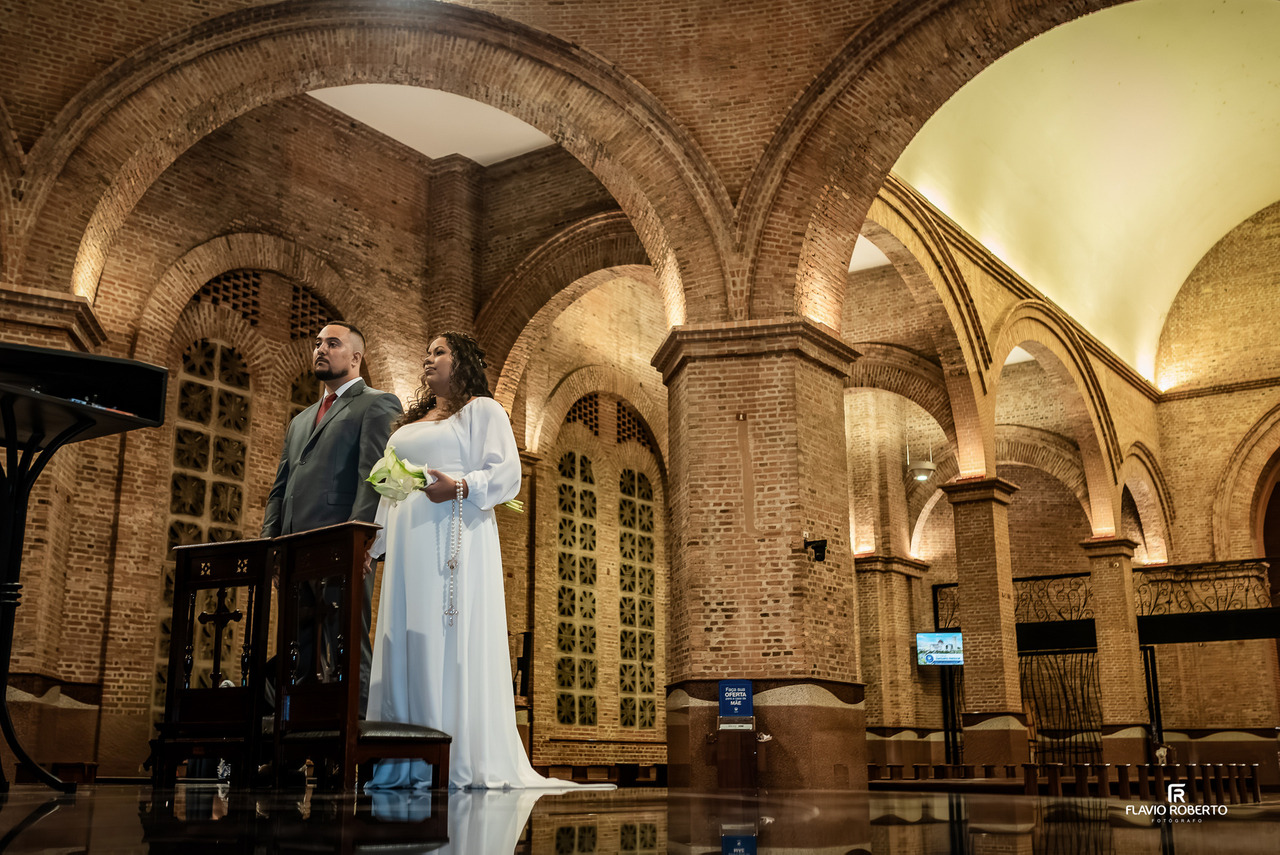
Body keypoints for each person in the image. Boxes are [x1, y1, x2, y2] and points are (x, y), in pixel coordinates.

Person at [365, 332, 597, 790]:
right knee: (404, 638)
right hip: (408, 548)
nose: (428, 360)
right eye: (426, 353)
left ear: (462, 361)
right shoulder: (410, 423)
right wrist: (373, 547)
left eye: (439, 352)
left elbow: (507, 473)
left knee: (444, 638)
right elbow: (389, 489)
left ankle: (451, 753)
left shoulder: (482, 411)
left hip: (452, 539)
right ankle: (404, 754)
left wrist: (459, 486)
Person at [262, 320, 402, 716]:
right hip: (294, 549)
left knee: (345, 649)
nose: (320, 349)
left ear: (355, 357)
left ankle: (353, 749)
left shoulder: (377, 403)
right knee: (296, 654)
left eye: (333, 344)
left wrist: (357, 543)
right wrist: (270, 541)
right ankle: (294, 749)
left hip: (342, 549)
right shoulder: (301, 420)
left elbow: (371, 478)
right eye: (318, 343)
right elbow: (281, 486)